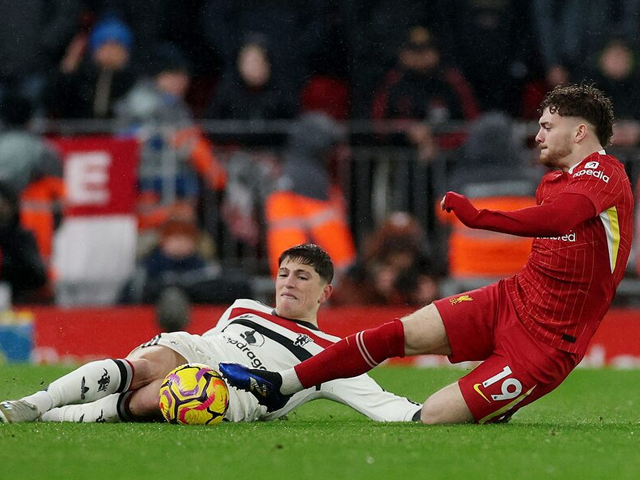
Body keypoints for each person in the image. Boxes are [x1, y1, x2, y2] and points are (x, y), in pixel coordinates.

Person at [219, 84, 634, 425]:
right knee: (394, 334)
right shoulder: (552, 182)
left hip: (545, 344)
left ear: (580, 132)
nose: (538, 135)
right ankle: (278, 383)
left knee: (432, 417)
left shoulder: (605, 173)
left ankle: (494, 407)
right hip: (509, 300)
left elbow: (561, 220)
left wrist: (478, 215)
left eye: (547, 126)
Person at [0, 244, 420, 424]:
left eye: (303, 277)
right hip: (201, 349)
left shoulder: (332, 354)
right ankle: (36, 402)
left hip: (234, 390)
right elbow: (215, 338)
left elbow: (387, 406)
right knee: (149, 363)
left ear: (325, 292)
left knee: (156, 396)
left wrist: (440, 411)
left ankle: (55, 414)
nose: (289, 282)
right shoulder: (245, 308)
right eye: (284, 273)